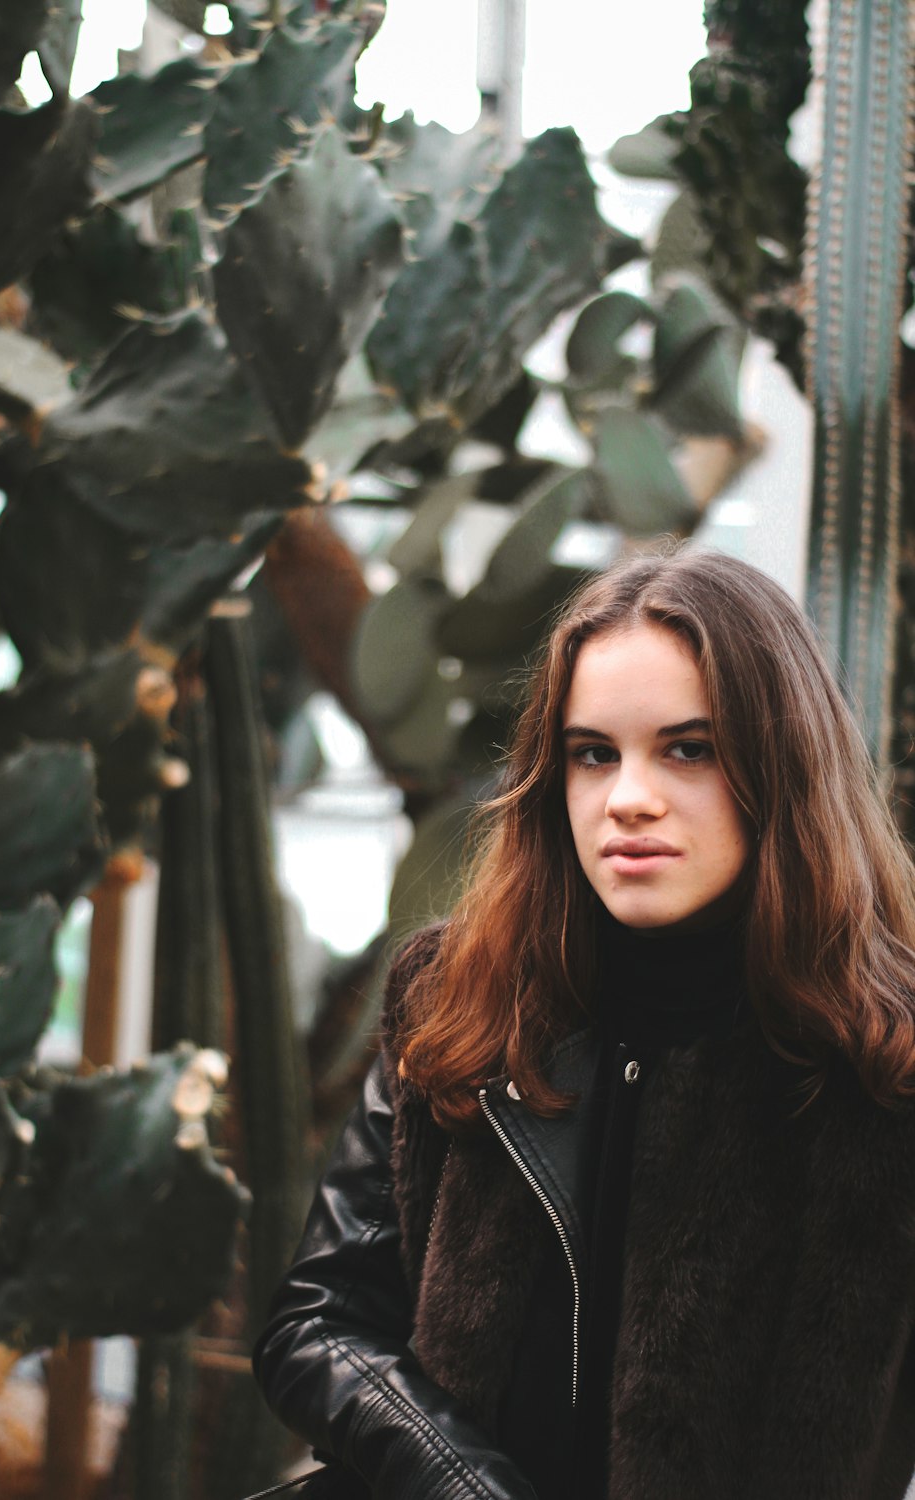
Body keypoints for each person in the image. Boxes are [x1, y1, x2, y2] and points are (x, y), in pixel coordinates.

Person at [254, 547, 915, 1500]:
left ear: (780, 764)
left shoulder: (881, 1068)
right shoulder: (459, 1000)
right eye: (592, 753)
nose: (627, 798)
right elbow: (316, 1322)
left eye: (688, 748)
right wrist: (459, 1480)